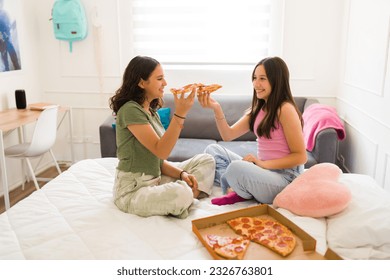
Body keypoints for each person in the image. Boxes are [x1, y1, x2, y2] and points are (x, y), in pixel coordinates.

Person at [109, 56, 215, 219]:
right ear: (142, 82)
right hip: (133, 190)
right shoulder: (130, 110)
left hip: (155, 177)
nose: (165, 83)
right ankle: (187, 195)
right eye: (159, 78)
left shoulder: (151, 112)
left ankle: (184, 194)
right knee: (181, 193)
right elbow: (162, 151)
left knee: (206, 160)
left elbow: (156, 160)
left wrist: (181, 175)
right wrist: (180, 113)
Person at [197, 56, 307, 205]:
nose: (256, 83)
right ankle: (241, 188)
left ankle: (240, 189)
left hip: (285, 177)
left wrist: (262, 164)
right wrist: (216, 108)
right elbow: (227, 135)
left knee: (236, 168)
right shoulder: (258, 109)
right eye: (254, 78)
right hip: (262, 171)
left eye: (262, 78)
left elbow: (300, 157)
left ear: (277, 80)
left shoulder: (285, 109)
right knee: (213, 150)